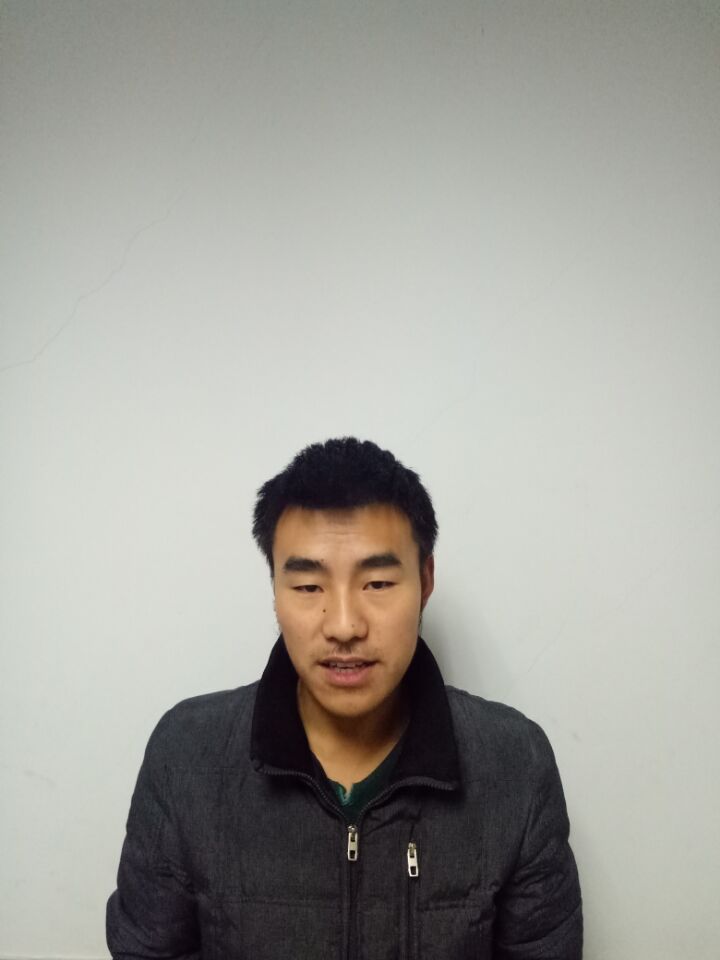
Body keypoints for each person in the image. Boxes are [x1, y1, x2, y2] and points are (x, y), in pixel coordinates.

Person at [106, 437, 582, 959]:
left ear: (425, 581)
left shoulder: (514, 764)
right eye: (308, 587)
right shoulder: (186, 757)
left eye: (377, 583)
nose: (344, 625)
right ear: (274, 589)